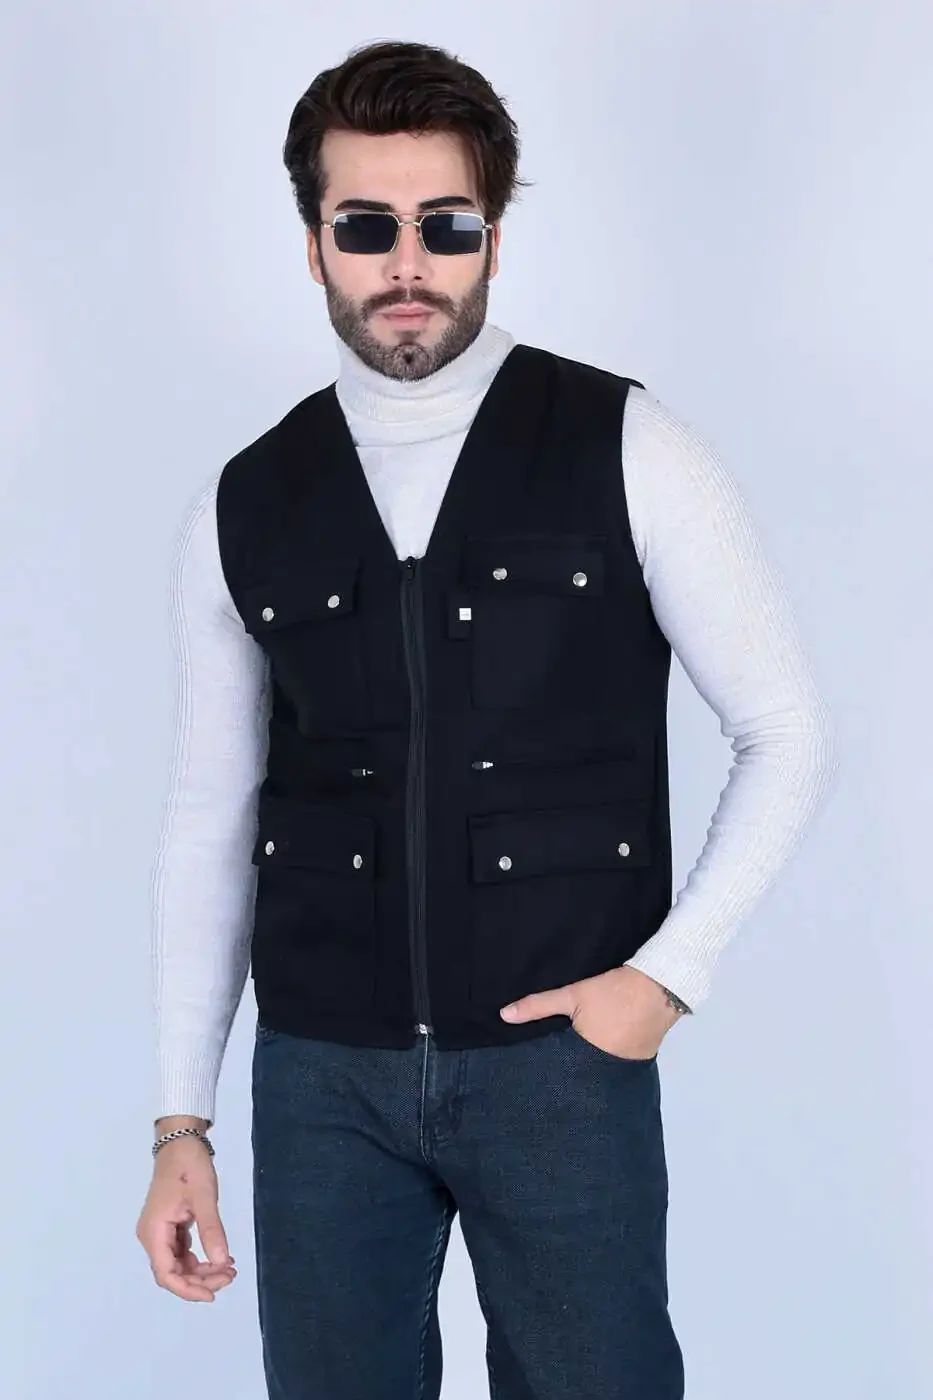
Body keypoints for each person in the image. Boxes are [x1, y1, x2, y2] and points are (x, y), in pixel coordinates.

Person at [136, 38, 839, 1400]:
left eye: (444, 225)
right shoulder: (247, 499)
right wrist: (182, 1121)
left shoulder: (630, 444)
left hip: (558, 1070)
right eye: (366, 226)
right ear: (314, 245)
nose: (407, 262)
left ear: (492, 240)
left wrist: (666, 979)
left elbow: (788, 731)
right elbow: (210, 814)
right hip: (321, 1082)